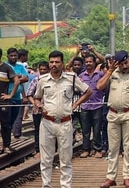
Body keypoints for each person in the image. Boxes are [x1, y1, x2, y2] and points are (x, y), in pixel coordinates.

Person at [34, 50, 91, 188]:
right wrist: (39, 105)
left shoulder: (71, 78)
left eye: (57, 62)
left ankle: (66, 186)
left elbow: (88, 91)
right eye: (51, 62)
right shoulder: (42, 80)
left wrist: (76, 104)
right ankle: (46, 185)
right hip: (47, 122)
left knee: (65, 159)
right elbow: (36, 97)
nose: (54, 64)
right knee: (46, 158)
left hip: (65, 123)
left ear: (62, 63)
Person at [97, 51, 129, 188]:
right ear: (117, 64)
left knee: (128, 146)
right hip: (112, 114)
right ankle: (111, 177)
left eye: (127, 63)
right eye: (122, 64)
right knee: (112, 148)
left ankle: (127, 176)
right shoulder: (112, 73)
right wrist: (109, 71)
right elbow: (99, 87)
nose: (125, 66)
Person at [79, 54, 106, 158]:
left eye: (90, 62)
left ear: (95, 63)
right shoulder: (81, 76)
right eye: (87, 62)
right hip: (85, 106)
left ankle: (97, 149)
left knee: (97, 129)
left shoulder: (100, 75)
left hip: (97, 105)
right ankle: (86, 149)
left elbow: (105, 89)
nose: (88, 64)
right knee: (85, 130)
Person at [26, 61, 49, 159]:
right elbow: (29, 94)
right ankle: (38, 150)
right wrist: (35, 103)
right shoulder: (36, 80)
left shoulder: (52, 80)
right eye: (41, 69)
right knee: (38, 130)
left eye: (45, 69)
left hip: (50, 110)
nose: (43, 71)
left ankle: (52, 150)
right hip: (38, 110)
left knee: (51, 131)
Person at [0, 48, 20, 154]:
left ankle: (6, 145)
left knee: (5, 124)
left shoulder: (6, 68)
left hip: (3, 101)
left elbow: (16, 81)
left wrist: (10, 95)